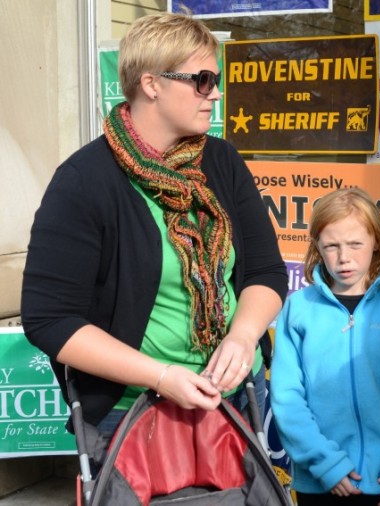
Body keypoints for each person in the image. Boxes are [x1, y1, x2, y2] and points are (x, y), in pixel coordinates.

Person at [20, 12, 288, 456]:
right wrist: (160, 375)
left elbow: (265, 271)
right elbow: (50, 319)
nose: (215, 93)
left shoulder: (221, 162)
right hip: (132, 413)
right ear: (151, 84)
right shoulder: (85, 180)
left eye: (216, 79)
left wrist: (242, 338)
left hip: (239, 400)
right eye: (202, 80)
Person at [270, 188, 380, 506]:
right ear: (317, 247)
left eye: (356, 244)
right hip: (319, 483)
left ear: (377, 243)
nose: (344, 258)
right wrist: (325, 464)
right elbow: (287, 399)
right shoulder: (298, 308)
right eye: (332, 246)